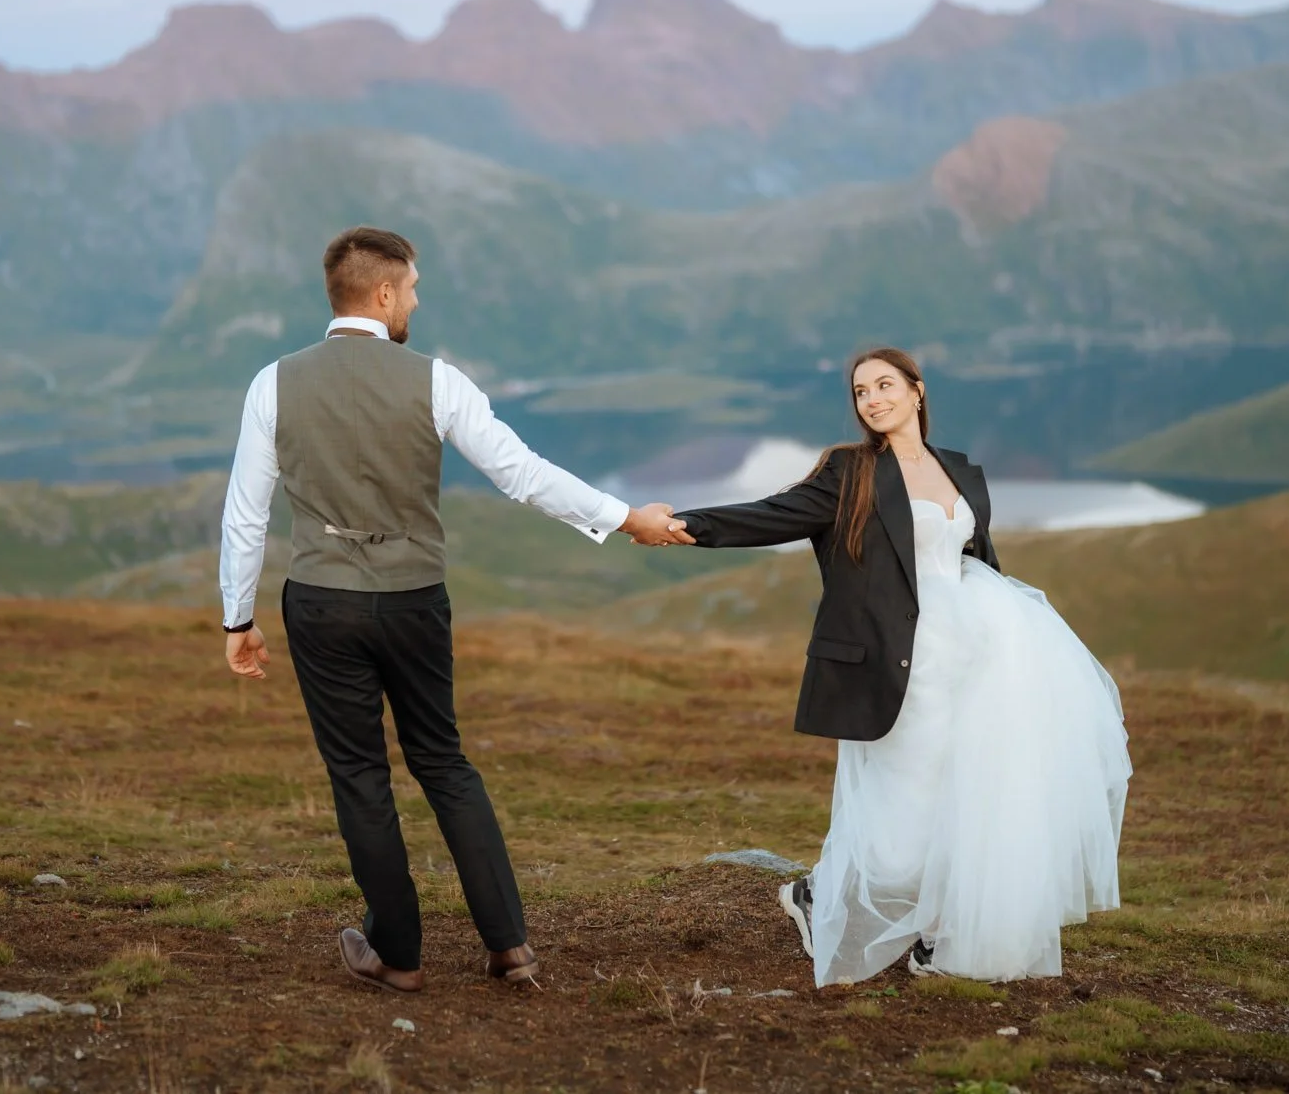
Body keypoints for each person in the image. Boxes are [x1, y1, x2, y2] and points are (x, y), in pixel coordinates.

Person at [218, 225, 691, 994]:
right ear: (381, 293)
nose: (416, 300)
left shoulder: (272, 382)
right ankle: (510, 945)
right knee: (443, 760)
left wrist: (238, 619)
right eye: (411, 288)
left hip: (322, 601)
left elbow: (246, 514)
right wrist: (624, 514)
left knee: (359, 775)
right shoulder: (437, 380)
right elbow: (522, 473)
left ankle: (397, 954)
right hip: (412, 600)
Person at [671, 347, 1131, 984]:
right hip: (896, 655)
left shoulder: (962, 470)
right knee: (904, 805)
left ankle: (938, 937)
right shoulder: (850, 471)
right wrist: (684, 525)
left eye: (885, 385)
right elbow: (773, 516)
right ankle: (816, 894)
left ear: (917, 391)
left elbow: (978, 556)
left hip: (977, 654)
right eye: (861, 391)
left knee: (968, 791)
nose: (872, 399)